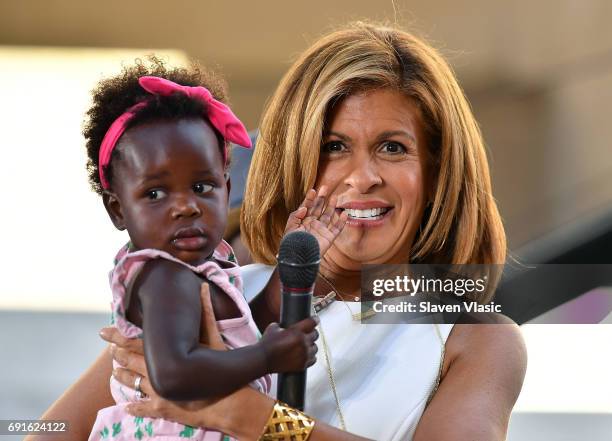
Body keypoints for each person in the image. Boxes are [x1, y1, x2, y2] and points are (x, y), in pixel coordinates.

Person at [30, 23, 527, 441]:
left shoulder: (474, 340)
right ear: (293, 160)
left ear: (438, 171)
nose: (362, 177)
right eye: (333, 147)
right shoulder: (215, 290)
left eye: (393, 148)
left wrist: (248, 416)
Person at [77, 58, 331, 441]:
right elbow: (175, 374)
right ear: (118, 210)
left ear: (227, 190)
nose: (186, 206)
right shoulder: (164, 275)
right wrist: (269, 357)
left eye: (201, 187)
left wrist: (281, 288)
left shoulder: (202, 270)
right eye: (156, 193)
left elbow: (234, 329)